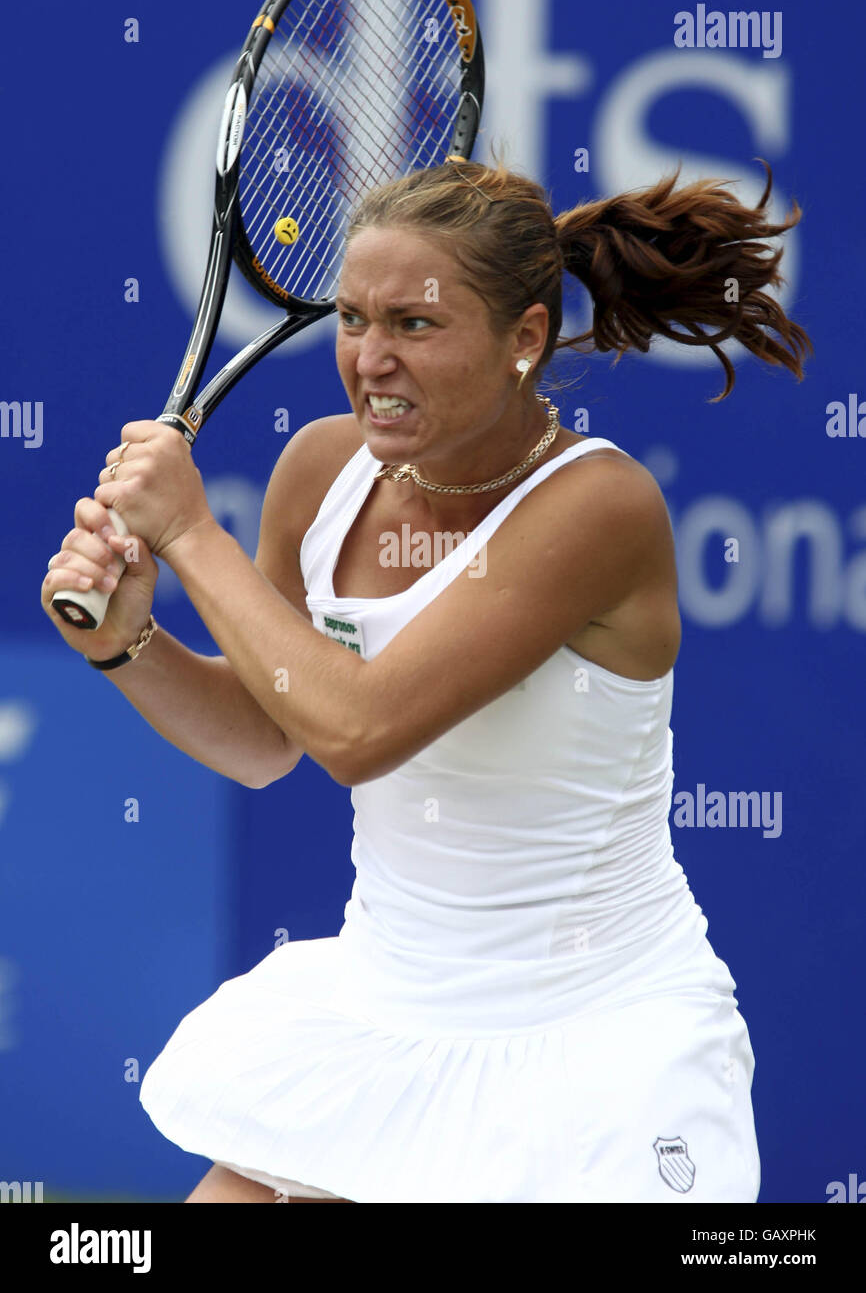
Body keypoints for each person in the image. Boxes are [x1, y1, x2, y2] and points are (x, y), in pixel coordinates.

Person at [41, 158, 810, 1203]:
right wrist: (127, 644)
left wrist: (185, 532)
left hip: (594, 1049)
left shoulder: (599, 507)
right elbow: (273, 738)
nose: (369, 359)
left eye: (413, 323)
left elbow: (360, 730)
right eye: (353, 318)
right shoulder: (318, 470)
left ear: (524, 341)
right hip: (379, 1016)